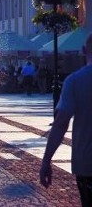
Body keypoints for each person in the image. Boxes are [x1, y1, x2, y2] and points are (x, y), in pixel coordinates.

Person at [40, 32, 92, 207]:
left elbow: (61, 123)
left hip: (87, 163)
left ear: (84, 50)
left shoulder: (75, 81)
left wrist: (47, 161)